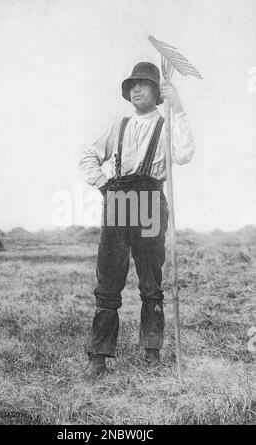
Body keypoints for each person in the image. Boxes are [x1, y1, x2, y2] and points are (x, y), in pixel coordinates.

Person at [79, 62, 195, 379]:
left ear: (157, 91)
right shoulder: (120, 124)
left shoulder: (167, 122)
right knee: (108, 281)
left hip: (150, 202)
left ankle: (152, 355)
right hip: (117, 201)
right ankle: (99, 359)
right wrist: (102, 184)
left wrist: (179, 106)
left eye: (143, 84)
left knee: (150, 281)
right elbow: (88, 154)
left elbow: (184, 154)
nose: (136, 89)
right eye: (132, 85)